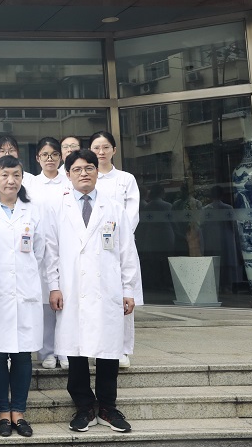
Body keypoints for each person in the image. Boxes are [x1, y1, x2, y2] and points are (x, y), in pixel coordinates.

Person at [46, 149, 140, 434]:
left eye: (89, 168)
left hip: (107, 288)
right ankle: (84, 407)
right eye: (77, 169)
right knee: (75, 350)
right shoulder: (57, 208)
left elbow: (127, 251)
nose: (83, 173)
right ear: (68, 175)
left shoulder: (114, 207)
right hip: (72, 288)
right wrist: (53, 286)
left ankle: (108, 407)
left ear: (97, 172)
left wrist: (129, 290)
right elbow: (50, 252)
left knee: (108, 351)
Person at [0, 155, 45, 438]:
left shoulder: (33, 210)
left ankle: (19, 411)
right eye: (5, 175)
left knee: (22, 355)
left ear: (22, 178)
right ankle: (2, 412)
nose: (11, 180)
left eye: (16, 175)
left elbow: (41, 251)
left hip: (25, 290)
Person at [89, 131, 142, 368]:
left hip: (120, 245)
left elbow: (132, 212)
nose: (101, 152)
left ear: (114, 150)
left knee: (123, 296)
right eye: (96, 148)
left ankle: (122, 349)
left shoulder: (125, 179)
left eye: (105, 147)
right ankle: (95, 346)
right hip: (92, 248)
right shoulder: (87, 176)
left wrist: (119, 236)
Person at [29, 136, 71, 370]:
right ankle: (46, 351)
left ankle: (65, 350)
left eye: (54, 154)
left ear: (61, 157)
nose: (50, 159)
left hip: (66, 247)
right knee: (45, 302)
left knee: (65, 300)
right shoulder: (31, 184)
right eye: (45, 155)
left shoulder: (69, 182)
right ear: (38, 158)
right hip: (39, 248)